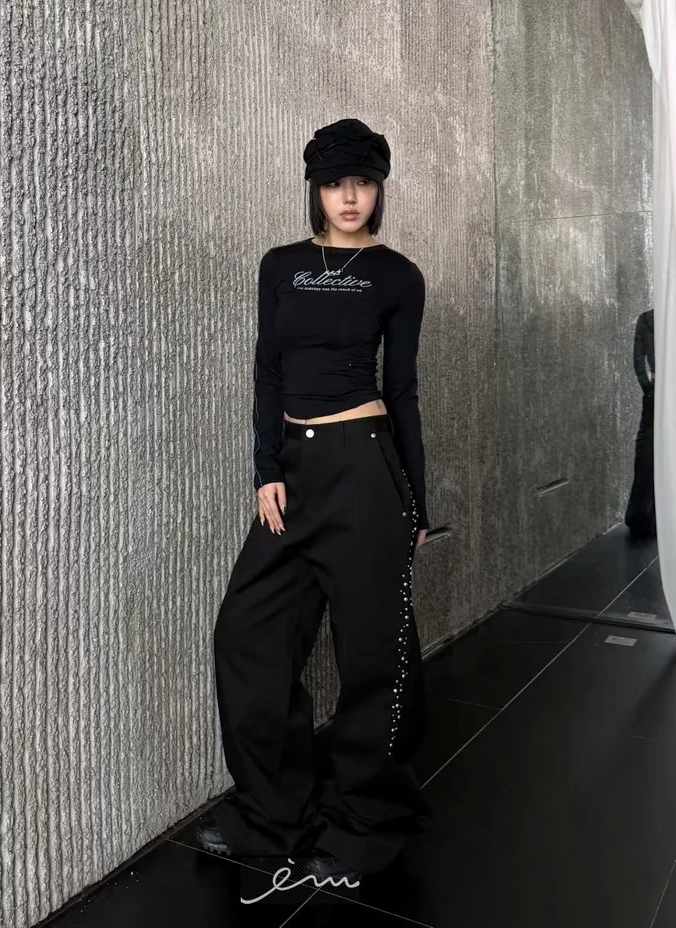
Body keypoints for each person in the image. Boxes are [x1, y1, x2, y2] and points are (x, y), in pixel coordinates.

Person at [196, 118, 432, 885]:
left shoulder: (397, 276)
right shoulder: (281, 266)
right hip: (294, 474)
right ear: (316, 190)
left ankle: (365, 821)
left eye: (363, 182)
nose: (350, 196)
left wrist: (418, 503)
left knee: (372, 652)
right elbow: (268, 370)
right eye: (335, 183)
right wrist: (265, 468)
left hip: (366, 470)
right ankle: (274, 811)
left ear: (379, 189)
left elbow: (403, 391)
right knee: (247, 633)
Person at [625, 308, 656, 538]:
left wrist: (648, 389)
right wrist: (649, 389)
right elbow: (638, 360)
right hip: (657, 393)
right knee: (648, 450)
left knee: (647, 449)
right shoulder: (648, 318)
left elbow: (638, 360)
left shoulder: (648, 318)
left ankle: (641, 514)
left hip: (656, 392)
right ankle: (643, 514)